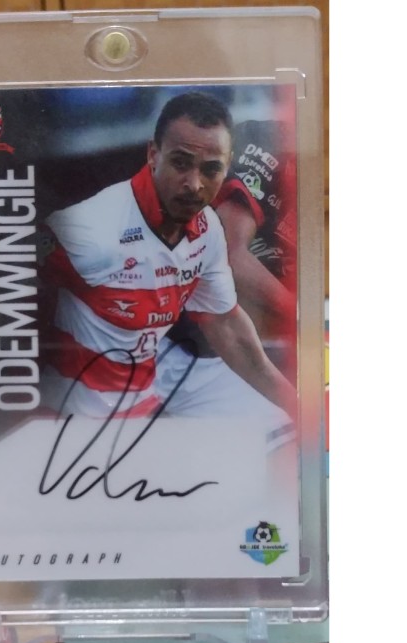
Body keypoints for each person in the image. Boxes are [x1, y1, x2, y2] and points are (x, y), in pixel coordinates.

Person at [38, 92, 295, 423]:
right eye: (181, 163)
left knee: (283, 428)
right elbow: (7, 293)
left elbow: (225, 324)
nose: (194, 184)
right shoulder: (90, 229)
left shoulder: (206, 230)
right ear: (153, 154)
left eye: (211, 169)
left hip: (149, 406)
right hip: (71, 426)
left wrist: (302, 407)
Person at [155, 118, 297, 422]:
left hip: (230, 361)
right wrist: (304, 316)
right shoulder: (269, 142)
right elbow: (232, 257)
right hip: (166, 343)